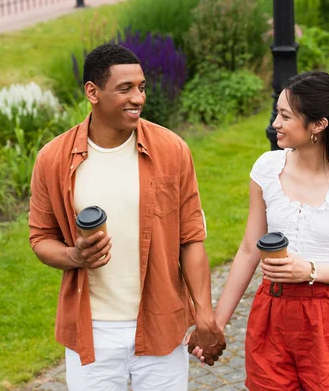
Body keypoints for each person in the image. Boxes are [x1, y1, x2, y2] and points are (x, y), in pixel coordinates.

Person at [28, 43, 225, 391]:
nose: (139, 98)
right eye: (125, 89)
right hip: (93, 331)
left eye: (142, 87)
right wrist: (74, 256)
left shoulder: (172, 150)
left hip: (161, 323)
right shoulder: (53, 159)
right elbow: (41, 238)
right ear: (92, 92)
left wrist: (205, 314)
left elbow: (191, 239)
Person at [191, 71, 329, 390]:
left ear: (318, 125)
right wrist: (216, 324)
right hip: (271, 313)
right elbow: (248, 250)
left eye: (285, 116)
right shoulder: (267, 168)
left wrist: (309, 270)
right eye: (276, 113)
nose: (275, 124)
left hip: (328, 318)